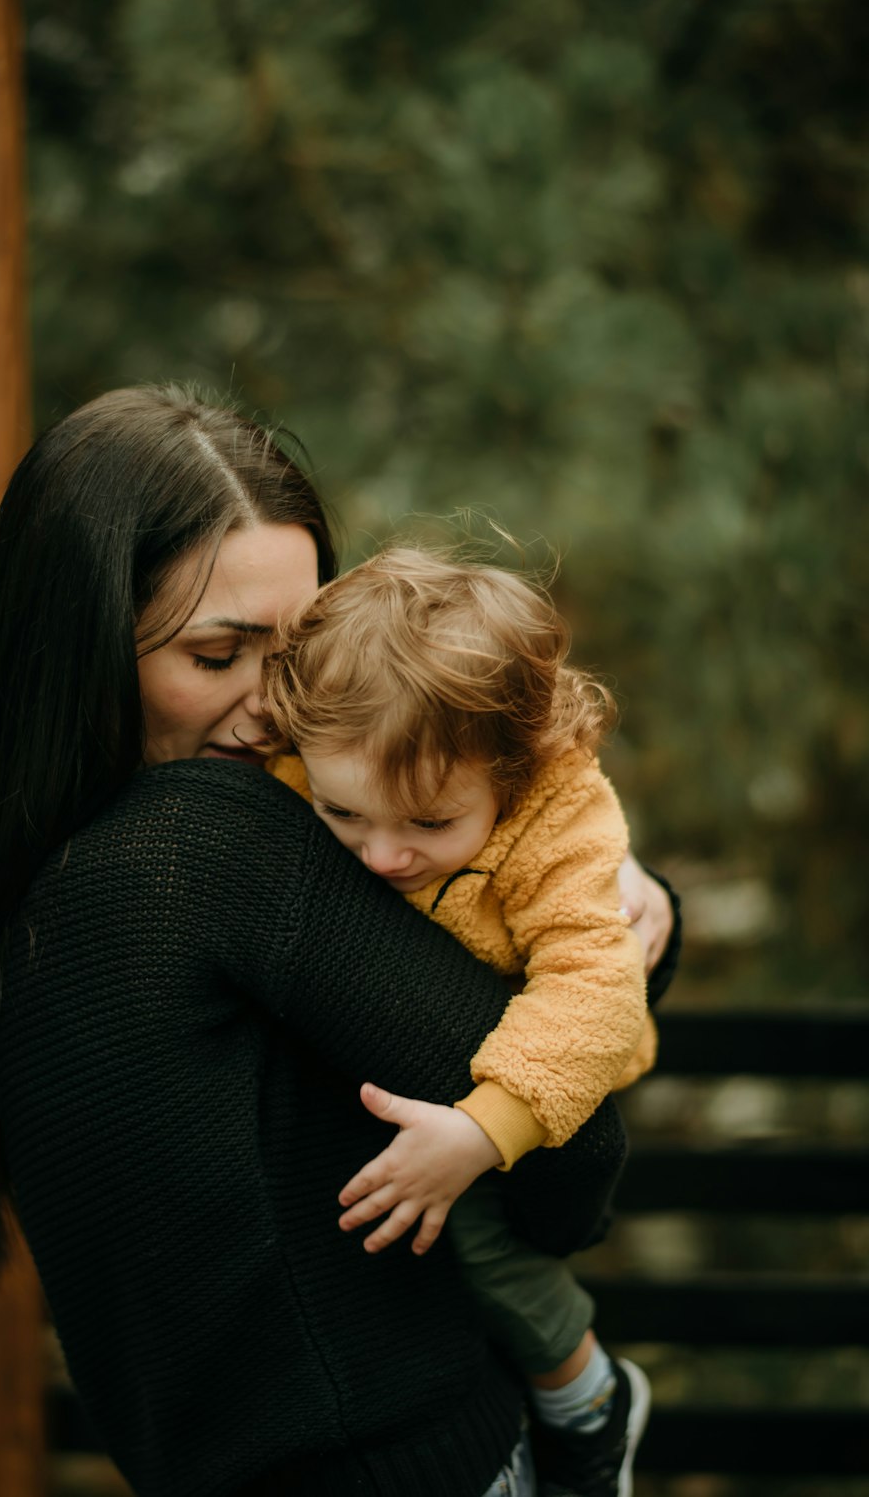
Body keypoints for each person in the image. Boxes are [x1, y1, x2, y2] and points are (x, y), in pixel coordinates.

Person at [0, 385, 676, 1497]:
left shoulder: (32, 889)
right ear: (82, 647)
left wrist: (605, 884)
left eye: (298, 647)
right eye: (217, 655)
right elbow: (576, 1157)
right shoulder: (213, 844)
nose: (276, 707)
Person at [262, 547, 670, 1496]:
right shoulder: (319, 769)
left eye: (430, 826)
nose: (381, 853)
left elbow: (595, 996)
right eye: (343, 814)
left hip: (536, 1080)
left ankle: (590, 1399)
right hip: (409, 1094)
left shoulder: (560, 823)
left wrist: (485, 1132)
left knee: (481, 1250)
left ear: (515, 771)